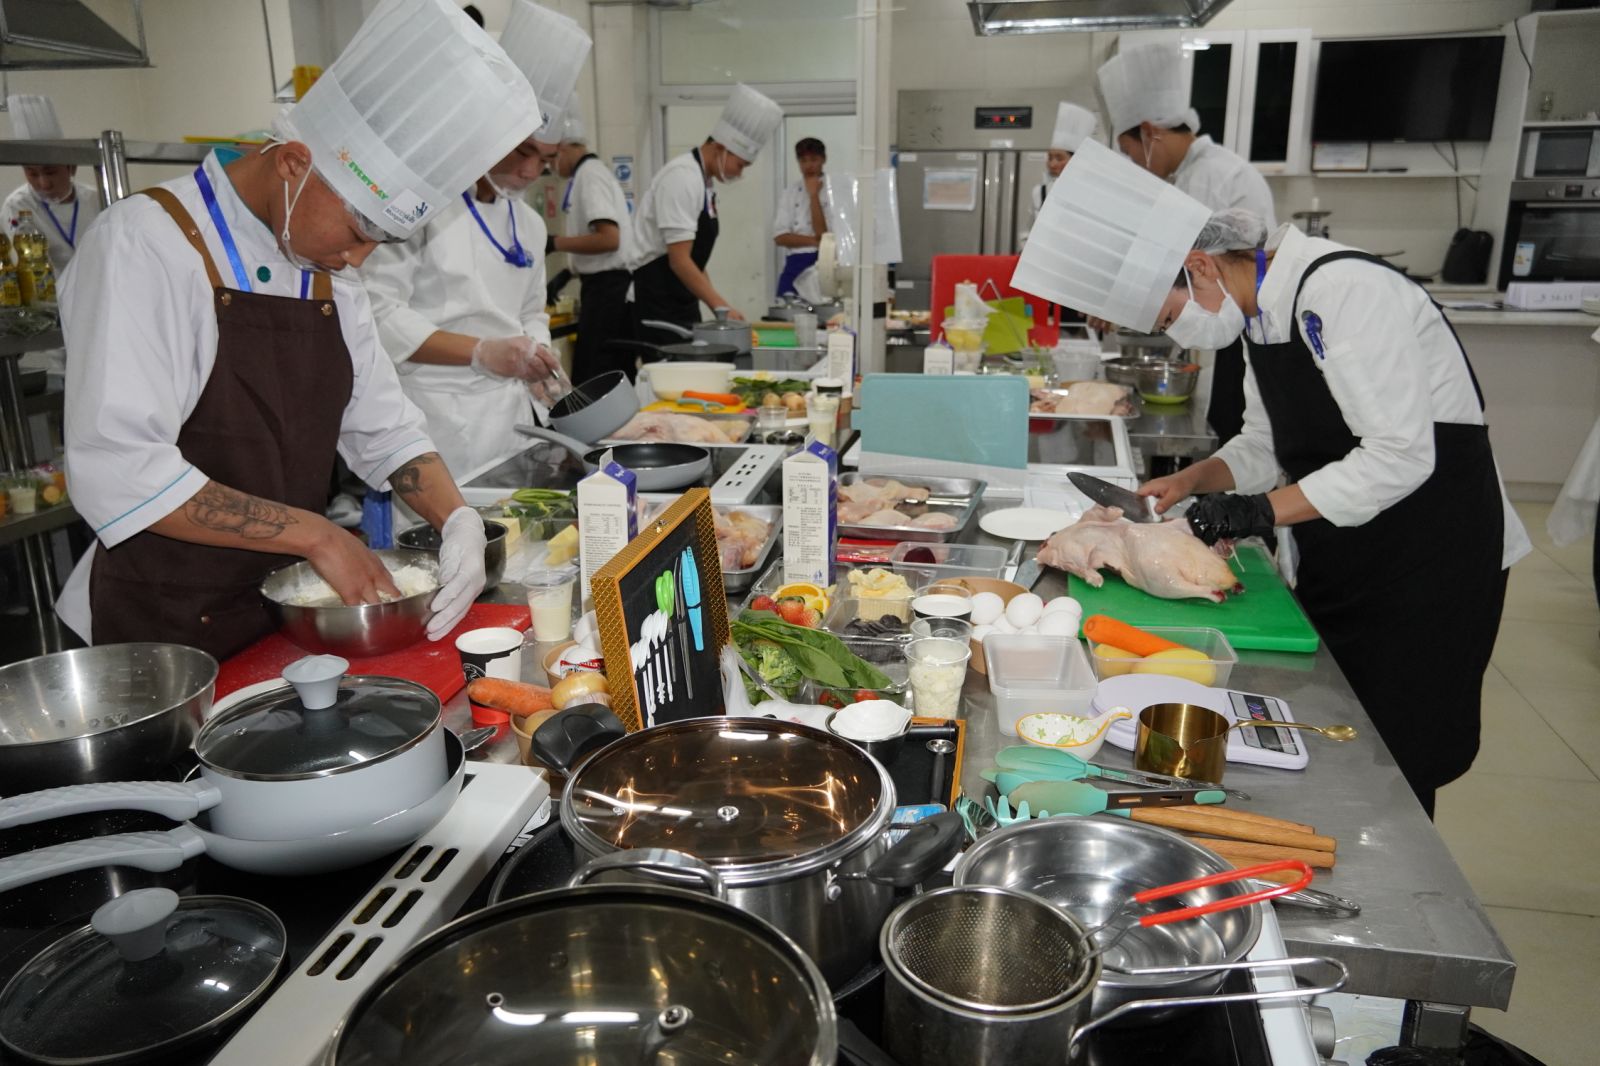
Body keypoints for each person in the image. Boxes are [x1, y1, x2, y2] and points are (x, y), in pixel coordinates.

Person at [1014, 141, 1531, 817]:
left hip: (1431, 553)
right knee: (1342, 738)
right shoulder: (1260, 312)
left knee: (1399, 761)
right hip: (1351, 547)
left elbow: (1400, 457)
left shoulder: (1344, 291)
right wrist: (1193, 481)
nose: (1180, 335)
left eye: (1169, 317)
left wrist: (1254, 513)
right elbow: (1266, 441)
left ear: (1201, 265)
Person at [56, 0, 541, 661]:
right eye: (360, 229)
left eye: (382, 240)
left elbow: (383, 429)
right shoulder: (145, 244)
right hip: (162, 629)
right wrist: (316, 535)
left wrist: (457, 519)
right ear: (293, 163)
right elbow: (119, 469)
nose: (358, 259)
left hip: (285, 614)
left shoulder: (326, 267)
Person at [363, 0, 588, 478]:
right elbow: (379, 313)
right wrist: (480, 352)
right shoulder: (423, 205)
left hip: (510, 420)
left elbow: (531, 311)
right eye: (522, 151)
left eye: (546, 160)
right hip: (436, 416)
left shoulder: (528, 223)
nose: (531, 171)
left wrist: (536, 355)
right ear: (488, 128)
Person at [1097, 41, 1276, 445]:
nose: (1134, 161)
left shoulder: (1220, 176)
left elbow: (1198, 272)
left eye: (1129, 150)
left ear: (1149, 133)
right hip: (1220, 335)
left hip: (1241, 339)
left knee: (1236, 439)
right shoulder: (1186, 176)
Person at [629, 83, 783, 349]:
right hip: (657, 299)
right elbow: (679, 261)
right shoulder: (682, 178)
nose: (739, 173)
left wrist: (719, 309)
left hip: (680, 299)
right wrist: (721, 306)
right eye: (740, 165)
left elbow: (694, 260)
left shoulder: (704, 184)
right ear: (721, 147)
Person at [551, 97, 636, 382]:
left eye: (549, 157)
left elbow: (609, 239)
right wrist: (568, 272)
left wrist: (554, 243)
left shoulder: (590, 176)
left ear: (562, 148)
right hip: (603, 290)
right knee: (600, 375)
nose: (550, 166)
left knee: (595, 378)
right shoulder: (587, 174)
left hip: (608, 294)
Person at [3, 94, 102, 275]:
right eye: (32, 173)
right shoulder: (17, 206)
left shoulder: (96, 199)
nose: (43, 183)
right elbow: (28, 266)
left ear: (71, 167)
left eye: (50, 172)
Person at [1023, 103, 1097, 245]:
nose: (1052, 164)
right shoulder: (1040, 192)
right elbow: (1029, 232)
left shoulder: (1088, 195)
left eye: (1059, 158)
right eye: (1050, 157)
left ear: (1076, 160)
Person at [772, 136, 827, 298]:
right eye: (803, 161)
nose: (808, 166)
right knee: (785, 305)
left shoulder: (833, 190)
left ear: (823, 159)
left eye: (813, 159)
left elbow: (824, 235)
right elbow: (780, 237)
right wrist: (814, 241)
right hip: (795, 262)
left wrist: (813, 196)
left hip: (824, 262)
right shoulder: (789, 192)